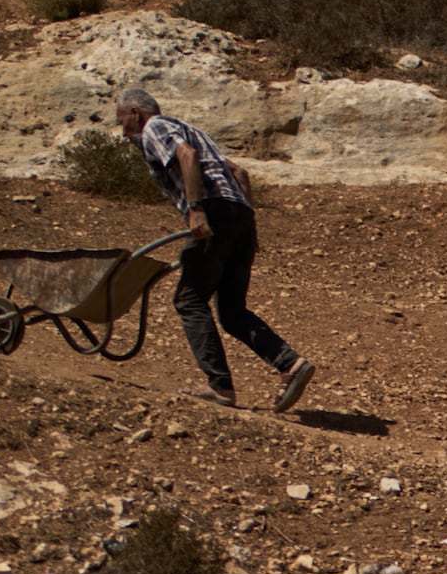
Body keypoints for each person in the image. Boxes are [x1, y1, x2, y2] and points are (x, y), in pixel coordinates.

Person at [113, 87, 314, 412]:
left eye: (121, 120)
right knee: (232, 312)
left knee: (189, 299)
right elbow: (239, 173)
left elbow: (187, 157)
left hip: (214, 212)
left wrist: (195, 209)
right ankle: (290, 364)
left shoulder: (155, 128)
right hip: (240, 216)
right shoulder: (193, 130)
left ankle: (219, 386)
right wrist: (247, 226)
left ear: (135, 113)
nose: (122, 131)